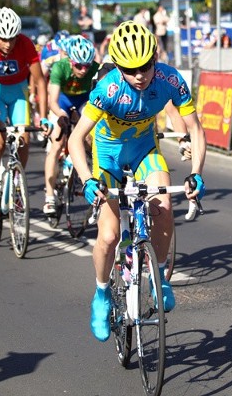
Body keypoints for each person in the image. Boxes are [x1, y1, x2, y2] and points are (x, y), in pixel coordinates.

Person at [68, 21, 207, 342]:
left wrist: (196, 172)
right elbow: (77, 140)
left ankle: (160, 276)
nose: (139, 75)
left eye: (145, 66)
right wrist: (88, 179)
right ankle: (102, 294)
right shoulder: (108, 89)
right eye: (130, 70)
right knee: (108, 234)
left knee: (165, 205)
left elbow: (196, 129)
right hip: (108, 156)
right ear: (117, 66)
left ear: (155, 58)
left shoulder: (171, 79)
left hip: (145, 149)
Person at [0, 7, 52, 227]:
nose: (8, 44)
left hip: (18, 92)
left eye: (12, 38)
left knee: (24, 140)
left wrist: (44, 116)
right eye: (3, 39)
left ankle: (15, 185)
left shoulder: (26, 44)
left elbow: (39, 82)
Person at [42, 35, 99, 216]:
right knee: (57, 144)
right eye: (78, 66)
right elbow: (53, 101)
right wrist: (61, 114)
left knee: (90, 139)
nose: (83, 70)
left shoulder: (94, 69)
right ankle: (49, 197)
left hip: (83, 102)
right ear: (70, 61)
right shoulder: (59, 67)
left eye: (86, 66)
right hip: (62, 103)